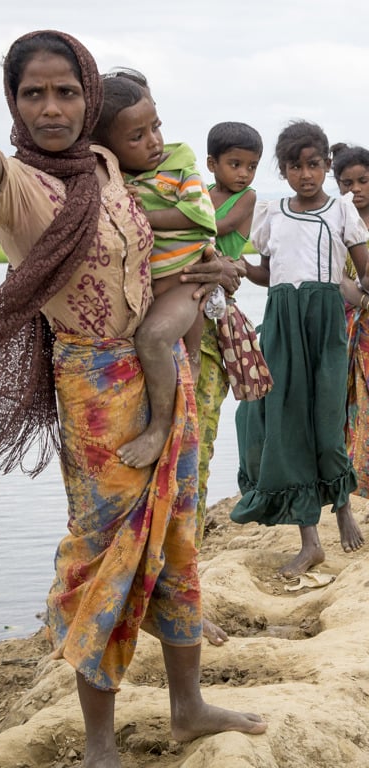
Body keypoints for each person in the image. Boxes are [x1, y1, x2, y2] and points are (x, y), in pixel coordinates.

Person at [0, 30, 266, 768]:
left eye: (66, 92)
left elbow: (164, 242)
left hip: (166, 378)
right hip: (95, 390)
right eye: (33, 94)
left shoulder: (109, 164)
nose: (51, 108)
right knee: (105, 555)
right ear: (14, 105)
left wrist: (210, 268)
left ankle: (188, 709)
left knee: (178, 535)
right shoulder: (19, 184)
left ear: (88, 98)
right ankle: (98, 745)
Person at [231, 119, 369, 579]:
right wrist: (239, 266)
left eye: (313, 165)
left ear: (327, 166)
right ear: (284, 170)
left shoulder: (341, 212)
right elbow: (269, 275)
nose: (305, 174)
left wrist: (359, 297)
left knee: (326, 422)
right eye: (295, 166)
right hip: (282, 325)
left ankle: (343, 504)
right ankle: (310, 542)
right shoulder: (273, 213)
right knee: (285, 425)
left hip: (327, 323)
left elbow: (365, 273)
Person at [92, 73, 220, 470]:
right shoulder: (113, 178)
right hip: (150, 288)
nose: (154, 141)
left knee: (151, 338)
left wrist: (142, 214)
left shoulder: (180, 166)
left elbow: (201, 216)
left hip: (185, 281)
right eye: (137, 136)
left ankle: (160, 427)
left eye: (156, 127)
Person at [195, 121, 263, 545]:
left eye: (251, 166)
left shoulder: (246, 198)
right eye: (234, 164)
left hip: (217, 302)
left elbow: (213, 230)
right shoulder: (198, 195)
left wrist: (180, 219)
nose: (243, 174)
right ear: (211, 164)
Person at [331, 143, 369, 497]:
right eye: (347, 183)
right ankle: (352, 485)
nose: (355, 190)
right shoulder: (333, 224)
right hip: (344, 332)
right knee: (347, 405)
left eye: (363, 181)